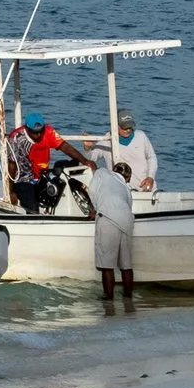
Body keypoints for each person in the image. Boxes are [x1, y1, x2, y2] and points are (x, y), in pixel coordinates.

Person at [84, 149, 137, 301]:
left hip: (107, 218)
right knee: (126, 265)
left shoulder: (101, 173)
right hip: (127, 220)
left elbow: (92, 191)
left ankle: (109, 298)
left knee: (107, 265)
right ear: (127, 177)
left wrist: (95, 209)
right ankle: (128, 297)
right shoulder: (126, 188)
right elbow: (128, 206)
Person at [87, 110, 158, 194]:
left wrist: (151, 177)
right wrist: (88, 148)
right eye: (125, 127)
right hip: (121, 193)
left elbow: (152, 158)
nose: (128, 130)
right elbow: (89, 159)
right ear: (115, 125)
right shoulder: (106, 140)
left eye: (130, 127)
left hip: (146, 190)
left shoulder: (141, 136)